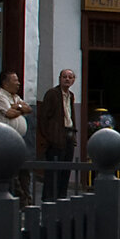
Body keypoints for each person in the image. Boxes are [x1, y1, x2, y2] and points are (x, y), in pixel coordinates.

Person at [0, 69, 33, 206]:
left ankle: (26, 198)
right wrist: (18, 109)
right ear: (5, 83)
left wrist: (17, 106)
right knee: (11, 170)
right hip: (4, 140)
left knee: (24, 169)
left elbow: (29, 109)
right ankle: (20, 199)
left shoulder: (15, 97)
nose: (18, 83)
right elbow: (9, 113)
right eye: (15, 80)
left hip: (18, 139)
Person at [37, 69, 77, 201]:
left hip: (68, 134)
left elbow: (71, 115)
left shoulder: (70, 95)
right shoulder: (52, 94)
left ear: (73, 80)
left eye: (70, 77)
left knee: (66, 169)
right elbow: (43, 117)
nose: (67, 79)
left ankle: (62, 197)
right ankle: (49, 199)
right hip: (55, 137)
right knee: (53, 170)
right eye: (64, 77)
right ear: (59, 78)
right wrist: (49, 137)